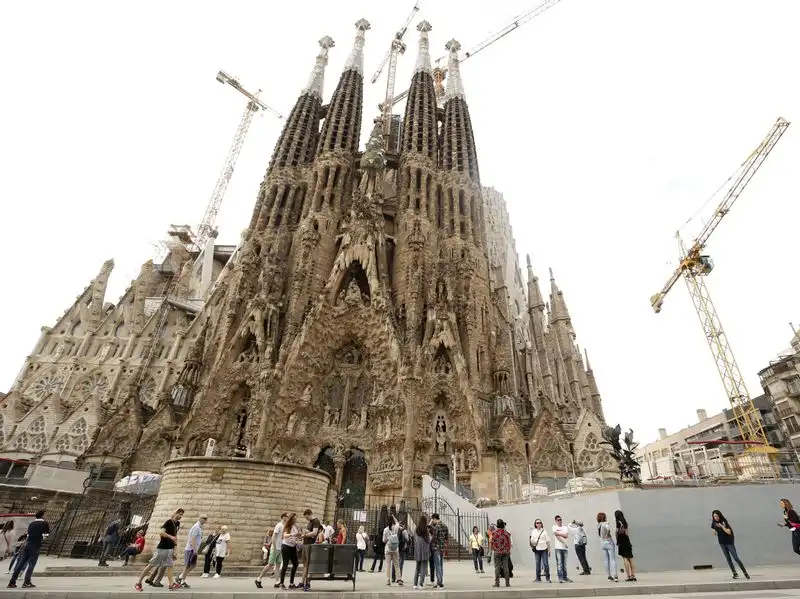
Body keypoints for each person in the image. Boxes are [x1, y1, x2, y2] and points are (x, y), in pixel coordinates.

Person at [134, 508, 183, 591]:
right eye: (180, 514)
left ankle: (171, 585)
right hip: (162, 548)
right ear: (176, 513)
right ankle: (138, 583)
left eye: (182, 515)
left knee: (170, 566)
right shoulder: (169, 522)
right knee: (151, 565)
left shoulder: (177, 523)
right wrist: (171, 537)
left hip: (170, 548)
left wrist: (175, 549)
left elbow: (175, 536)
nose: (181, 516)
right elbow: (161, 532)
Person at [7, 510, 49, 589]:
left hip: (27, 544)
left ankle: (12, 582)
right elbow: (46, 535)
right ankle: (27, 582)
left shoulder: (32, 523)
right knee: (31, 564)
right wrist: (41, 540)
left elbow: (28, 535)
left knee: (20, 564)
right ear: (42, 515)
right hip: (35, 545)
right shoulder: (44, 523)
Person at [711, 510, 749, 579]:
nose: (716, 517)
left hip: (729, 542)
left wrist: (722, 526)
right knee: (728, 559)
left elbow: (729, 532)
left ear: (720, 515)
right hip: (722, 543)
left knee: (735, 558)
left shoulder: (724, 522)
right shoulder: (714, 523)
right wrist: (714, 529)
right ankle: (734, 573)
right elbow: (714, 533)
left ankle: (745, 572)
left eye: (717, 516)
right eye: (714, 516)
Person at [255, 513, 286, 587]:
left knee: (278, 566)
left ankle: (277, 582)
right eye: (287, 516)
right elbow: (273, 537)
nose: (288, 518)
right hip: (275, 548)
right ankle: (258, 579)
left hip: (280, 548)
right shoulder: (279, 525)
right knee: (270, 564)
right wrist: (275, 548)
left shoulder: (284, 526)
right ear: (283, 517)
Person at [178, 514, 207, 587]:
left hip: (194, 549)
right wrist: (194, 549)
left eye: (206, 519)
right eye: (204, 518)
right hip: (191, 549)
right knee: (187, 565)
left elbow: (197, 538)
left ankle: (180, 577)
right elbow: (193, 539)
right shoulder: (196, 527)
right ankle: (182, 581)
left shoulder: (200, 528)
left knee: (193, 565)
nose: (205, 520)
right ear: (200, 518)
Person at [277, 513, 302, 590]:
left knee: (296, 563)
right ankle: (281, 583)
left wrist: (299, 535)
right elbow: (285, 535)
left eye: (296, 518)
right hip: (286, 547)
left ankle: (291, 583)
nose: (296, 520)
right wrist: (293, 534)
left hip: (293, 547)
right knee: (285, 564)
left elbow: (298, 535)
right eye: (295, 518)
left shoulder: (295, 526)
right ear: (291, 519)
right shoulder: (287, 526)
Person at [300, 509, 321, 592]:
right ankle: (302, 582)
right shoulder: (310, 522)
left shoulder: (316, 521)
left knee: (308, 564)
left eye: (307, 517)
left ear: (309, 514)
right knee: (305, 564)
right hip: (305, 544)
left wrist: (305, 534)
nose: (306, 519)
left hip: (309, 545)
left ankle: (307, 582)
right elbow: (311, 532)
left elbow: (315, 533)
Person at [615, 510, 636, 582]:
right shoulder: (625, 523)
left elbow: (617, 533)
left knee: (625, 558)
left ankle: (628, 576)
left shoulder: (618, 522)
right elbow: (627, 533)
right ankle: (633, 575)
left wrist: (617, 536)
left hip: (621, 541)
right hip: (627, 540)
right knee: (630, 558)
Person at [596, 512, 618, 582]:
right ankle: (615, 576)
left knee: (606, 560)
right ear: (604, 517)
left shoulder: (598, 525)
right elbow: (608, 529)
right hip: (608, 542)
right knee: (612, 559)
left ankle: (609, 576)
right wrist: (608, 534)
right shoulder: (605, 523)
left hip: (602, 543)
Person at [430, 513, 449, 588]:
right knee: (441, 565)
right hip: (442, 548)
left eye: (432, 520)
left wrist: (433, 546)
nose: (432, 521)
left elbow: (434, 538)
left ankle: (439, 582)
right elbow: (447, 537)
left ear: (435, 518)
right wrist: (443, 541)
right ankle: (440, 580)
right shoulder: (445, 526)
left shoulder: (436, 527)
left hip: (436, 548)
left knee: (437, 565)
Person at [383, 515, 403, 586]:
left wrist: (388, 539)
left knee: (388, 565)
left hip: (388, 549)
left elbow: (384, 540)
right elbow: (397, 522)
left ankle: (388, 580)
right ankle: (399, 579)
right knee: (397, 565)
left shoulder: (385, 529)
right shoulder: (396, 527)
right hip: (395, 549)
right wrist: (394, 517)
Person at [492, 519, 512, 588]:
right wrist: (508, 550)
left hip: (497, 551)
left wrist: (494, 548)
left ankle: (497, 583)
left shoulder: (494, 532)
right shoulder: (507, 533)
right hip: (506, 552)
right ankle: (507, 583)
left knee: (497, 567)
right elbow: (509, 542)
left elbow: (492, 541)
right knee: (506, 567)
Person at [412, 514, 431, 590]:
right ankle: (421, 584)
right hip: (425, 551)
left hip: (418, 551)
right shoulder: (426, 530)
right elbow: (428, 540)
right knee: (423, 568)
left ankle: (414, 584)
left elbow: (415, 540)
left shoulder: (416, 530)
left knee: (417, 568)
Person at [551, 515, 571, 583]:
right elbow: (557, 536)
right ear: (556, 521)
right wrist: (563, 539)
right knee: (559, 563)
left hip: (565, 548)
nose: (560, 521)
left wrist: (558, 533)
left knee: (564, 564)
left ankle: (565, 577)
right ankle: (560, 578)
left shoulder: (565, 527)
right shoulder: (554, 527)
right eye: (558, 520)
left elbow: (566, 536)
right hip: (558, 548)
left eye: (560, 519)